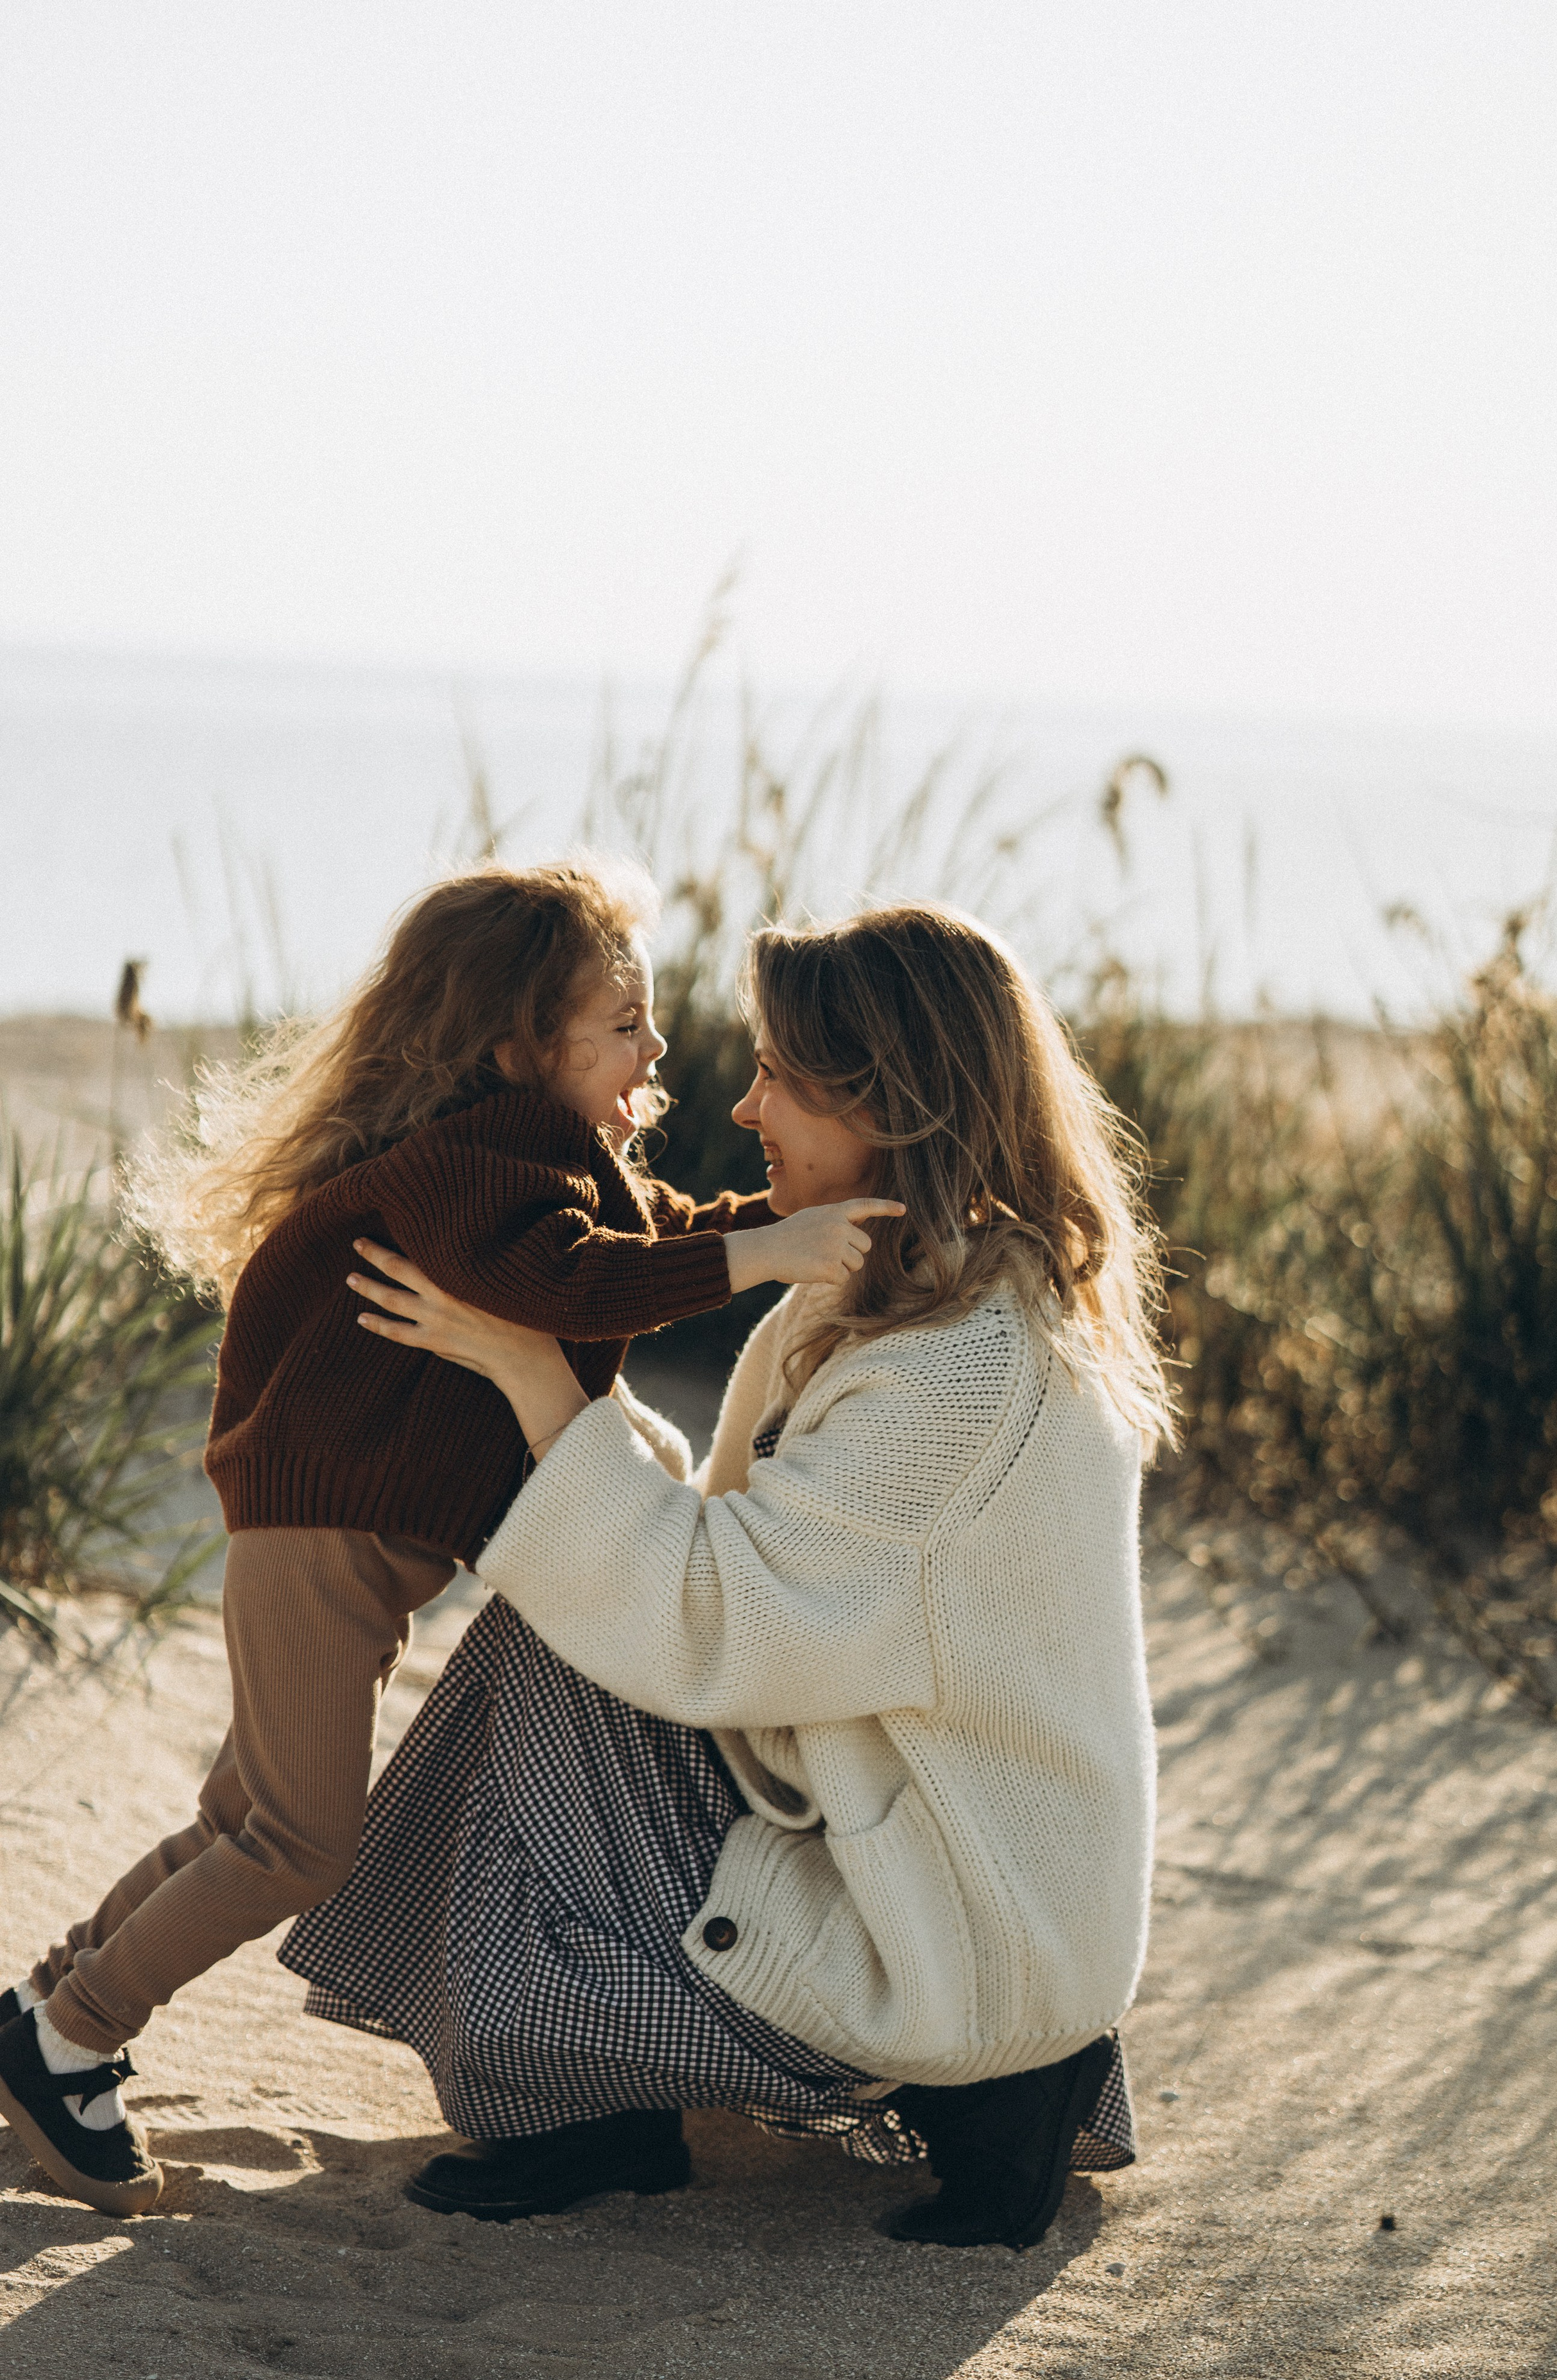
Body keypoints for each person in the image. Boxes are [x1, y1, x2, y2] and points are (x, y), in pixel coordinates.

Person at [0, 856, 896, 2219]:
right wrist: (769, 1255)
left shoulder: (535, 1157)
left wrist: (783, 1222)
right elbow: (571, 1280)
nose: (656, 1048)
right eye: (624, 1026)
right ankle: (73, 2038)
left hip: (332, 1541)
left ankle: (42, 2015)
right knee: (302, 1843)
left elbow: (638, 1234)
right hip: (324, 1540)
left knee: (245, 1818)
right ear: (512, 1047)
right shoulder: (481, 1164)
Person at [283, 900, 1171, 2250]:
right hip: (905, 1835)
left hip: (951, 1928)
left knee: (559, 1627)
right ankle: (601, 2089)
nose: (744, 1111)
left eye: (784, 1082)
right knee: (570, 1596)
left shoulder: (958, 1370)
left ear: (895, 1105)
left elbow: (716, 1616)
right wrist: (558, 1381)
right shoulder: (927, 1289)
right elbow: (742, 1547)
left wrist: (534, 1378)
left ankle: (597, 2093)